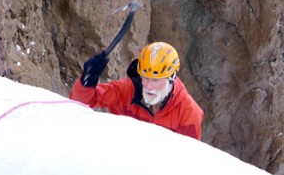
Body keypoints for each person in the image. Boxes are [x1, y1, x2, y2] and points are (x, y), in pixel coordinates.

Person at [70, 42, 204, 140]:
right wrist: (87, 81)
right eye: (145, 78)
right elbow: (79, 104)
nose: (149, 86)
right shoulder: (128, 90)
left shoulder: (188, 112)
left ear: (172, 77)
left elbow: (187, 160)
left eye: (155, 80)